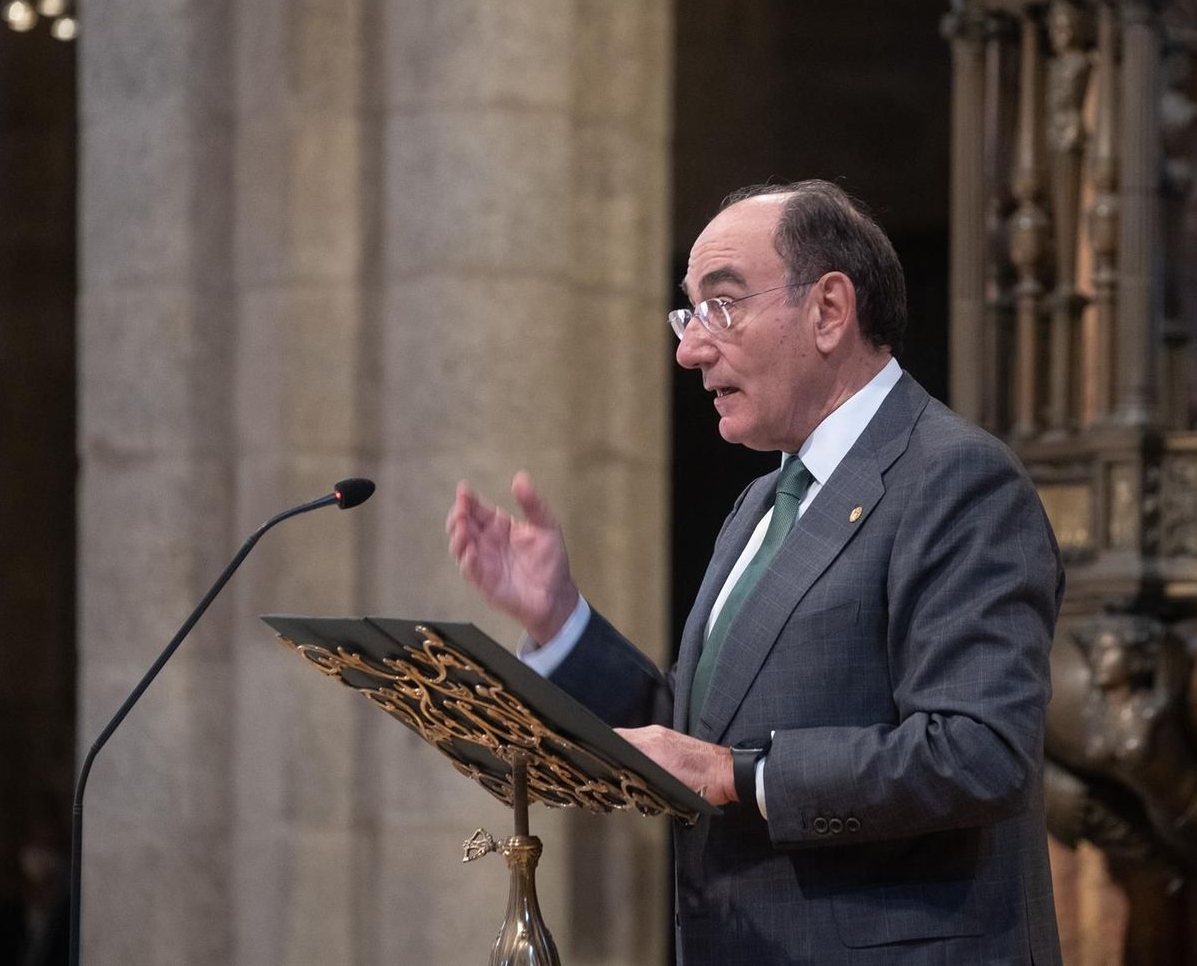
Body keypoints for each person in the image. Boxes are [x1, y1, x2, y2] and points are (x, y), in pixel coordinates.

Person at [448, 179, 1064, 963]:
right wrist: (561, 621)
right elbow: (699, 737)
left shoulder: (958, 479)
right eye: (689, 312)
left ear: (829, 311)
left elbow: (978, 752)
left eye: (722, 305)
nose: (689, 347)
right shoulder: (759, 502)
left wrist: (743, 774)